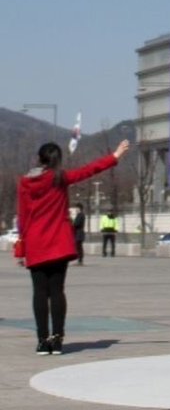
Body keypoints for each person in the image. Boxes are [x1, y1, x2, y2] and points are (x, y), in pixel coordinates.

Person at [17, 139, 129, 355]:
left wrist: (22, 243)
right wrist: (114, 156)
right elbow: (89, 170)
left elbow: (22, 216)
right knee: (57, 291)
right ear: (57, 159)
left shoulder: (24, 182)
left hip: (35, 243)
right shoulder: (60, 178)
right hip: (59, 243)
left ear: (39, 158)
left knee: (39, 292)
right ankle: (57, 339)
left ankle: (42, 340)